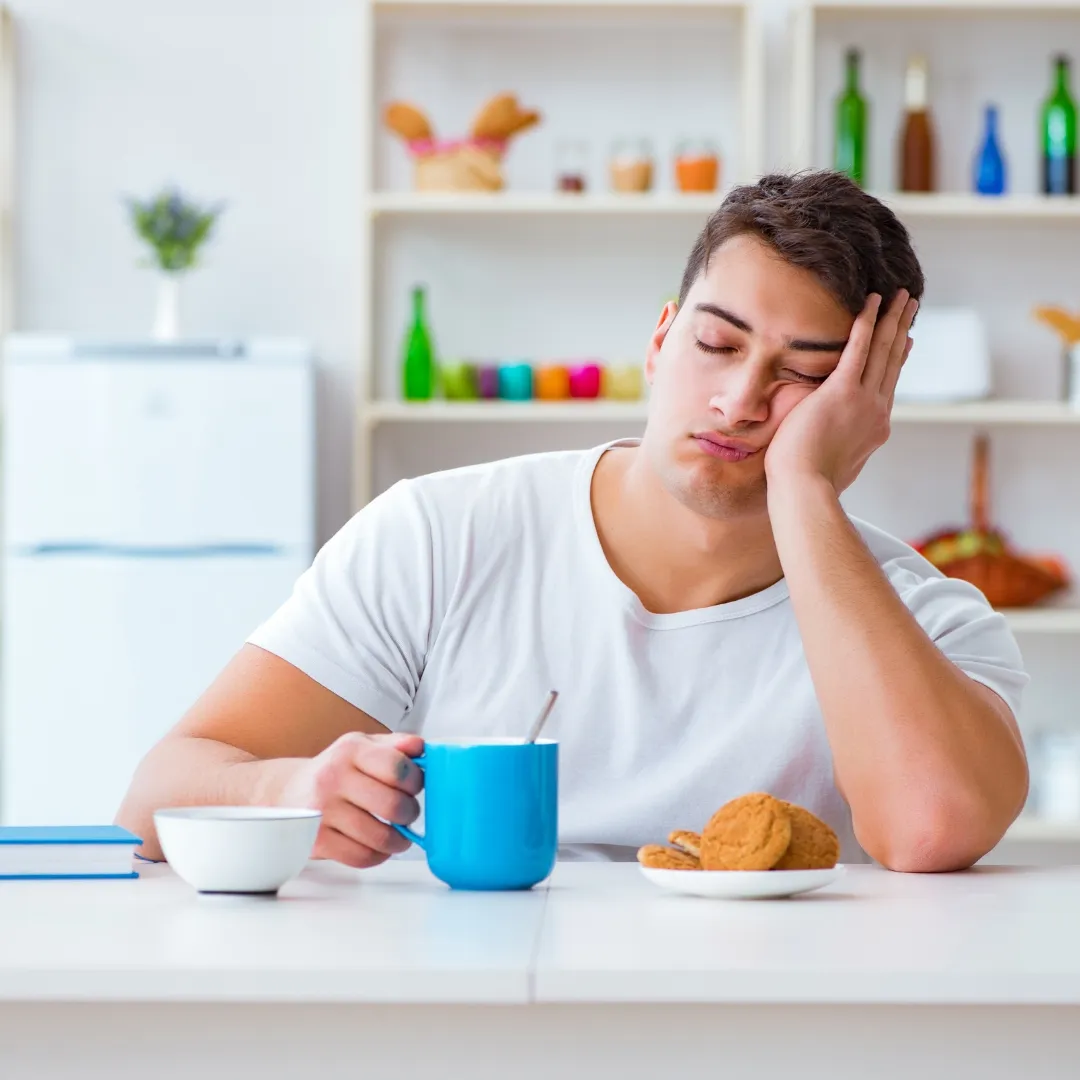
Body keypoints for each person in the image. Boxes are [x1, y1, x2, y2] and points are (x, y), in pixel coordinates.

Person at [118, 171, 1028, 872]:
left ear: (866, 403)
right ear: (662, 338)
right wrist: (288, 788)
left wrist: (804, 491)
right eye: (715, 344)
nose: (740, 398)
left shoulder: (929, 621)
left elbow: (929, 830)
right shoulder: (441, 535)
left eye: (802, 375)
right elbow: (153, 799)